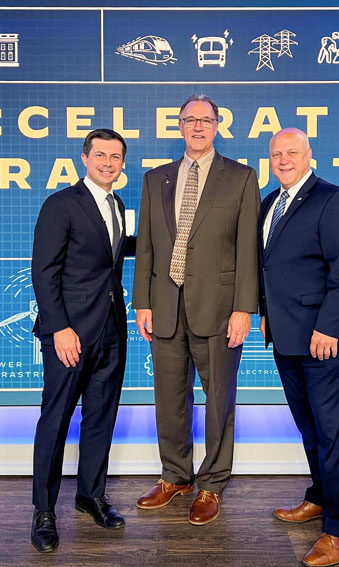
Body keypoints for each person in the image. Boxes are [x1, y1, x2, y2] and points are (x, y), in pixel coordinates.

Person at [132, 94, 260, 525]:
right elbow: (146, 248)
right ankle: (175, 475)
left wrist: (245, 308)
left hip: (220, 309)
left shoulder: (241, 177)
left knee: (219, 399)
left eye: (205, 120)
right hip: (165, 307)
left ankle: (212, 484)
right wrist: (143, 301)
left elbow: (248, 250)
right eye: (190, 120)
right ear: (179, 126)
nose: (198, 127)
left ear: (219, 125)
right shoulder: (156, 179)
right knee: (169, 398)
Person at [259, 128, 339, 566]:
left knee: (333, 434)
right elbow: (269, 265)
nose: (283, 159)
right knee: (311, 429)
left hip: (324, 338)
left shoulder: (332, 198)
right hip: (286, 336)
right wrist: (264, 311)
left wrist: (329, 327)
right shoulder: (271, 203)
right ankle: (322, 497)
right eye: (276, 153)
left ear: (310, 155)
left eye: (292, 152)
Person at [29, 129, 135, 552]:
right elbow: (44, 271)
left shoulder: (118, 205)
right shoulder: (61, 204)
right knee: (55, 423)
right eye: (101, 155)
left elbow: (112, 264)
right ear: (84, 159)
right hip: (69, 334)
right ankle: (43, 512)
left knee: (101, 418)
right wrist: (59, 328)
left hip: (111, 330)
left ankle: (91, 494)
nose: (108, 162)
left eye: (116, 156)